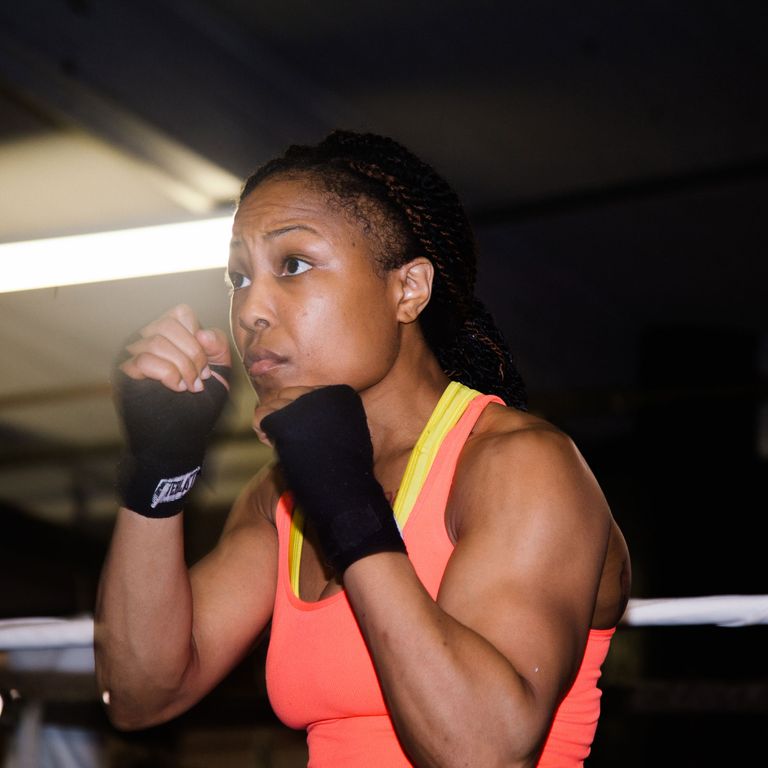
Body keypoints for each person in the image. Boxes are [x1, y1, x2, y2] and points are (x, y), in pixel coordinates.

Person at [95, 130, 631, 768]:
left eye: (293, 264)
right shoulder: (278, 497)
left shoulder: (518, 463)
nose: (250, 310)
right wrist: (159, 474)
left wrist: (347, 503)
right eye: (239, 277)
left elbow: (484, 750)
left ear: (409, 290)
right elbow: (138, 695)